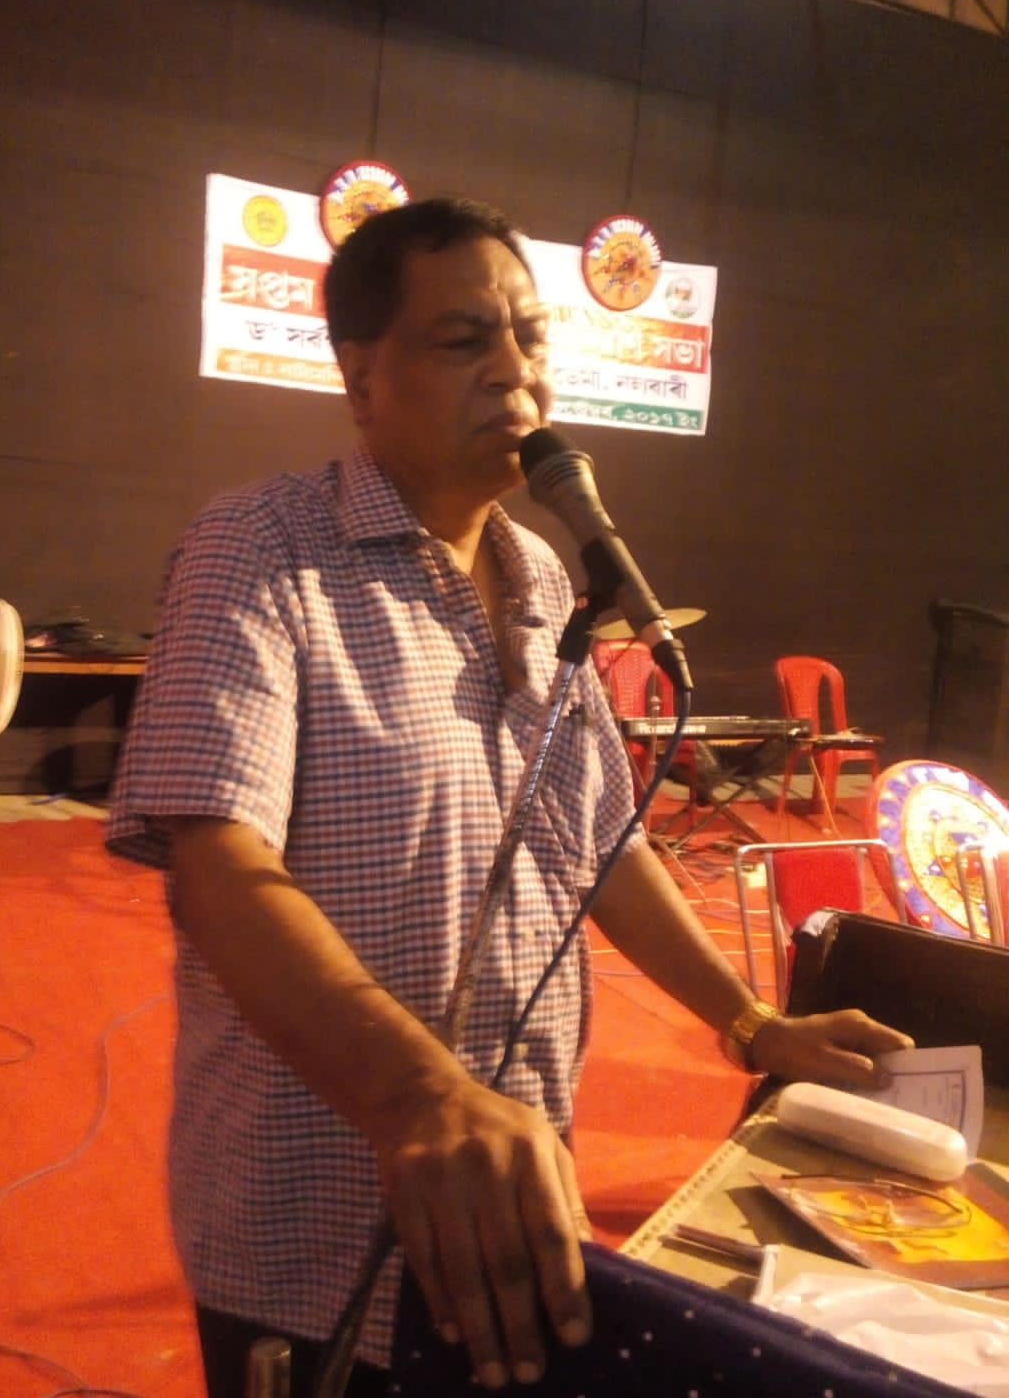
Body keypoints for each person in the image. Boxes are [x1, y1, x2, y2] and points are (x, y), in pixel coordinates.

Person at [107, 197, 913, 1398]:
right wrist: (421, 1100)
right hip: (313, 1232)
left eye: (530, 337)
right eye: (462, 340)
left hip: (516, 1203)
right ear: (359, 378)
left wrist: (752, 1024)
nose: (513, 371)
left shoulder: (539, 574)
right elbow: (220, 870)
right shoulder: (261, 548)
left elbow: (601, 846)